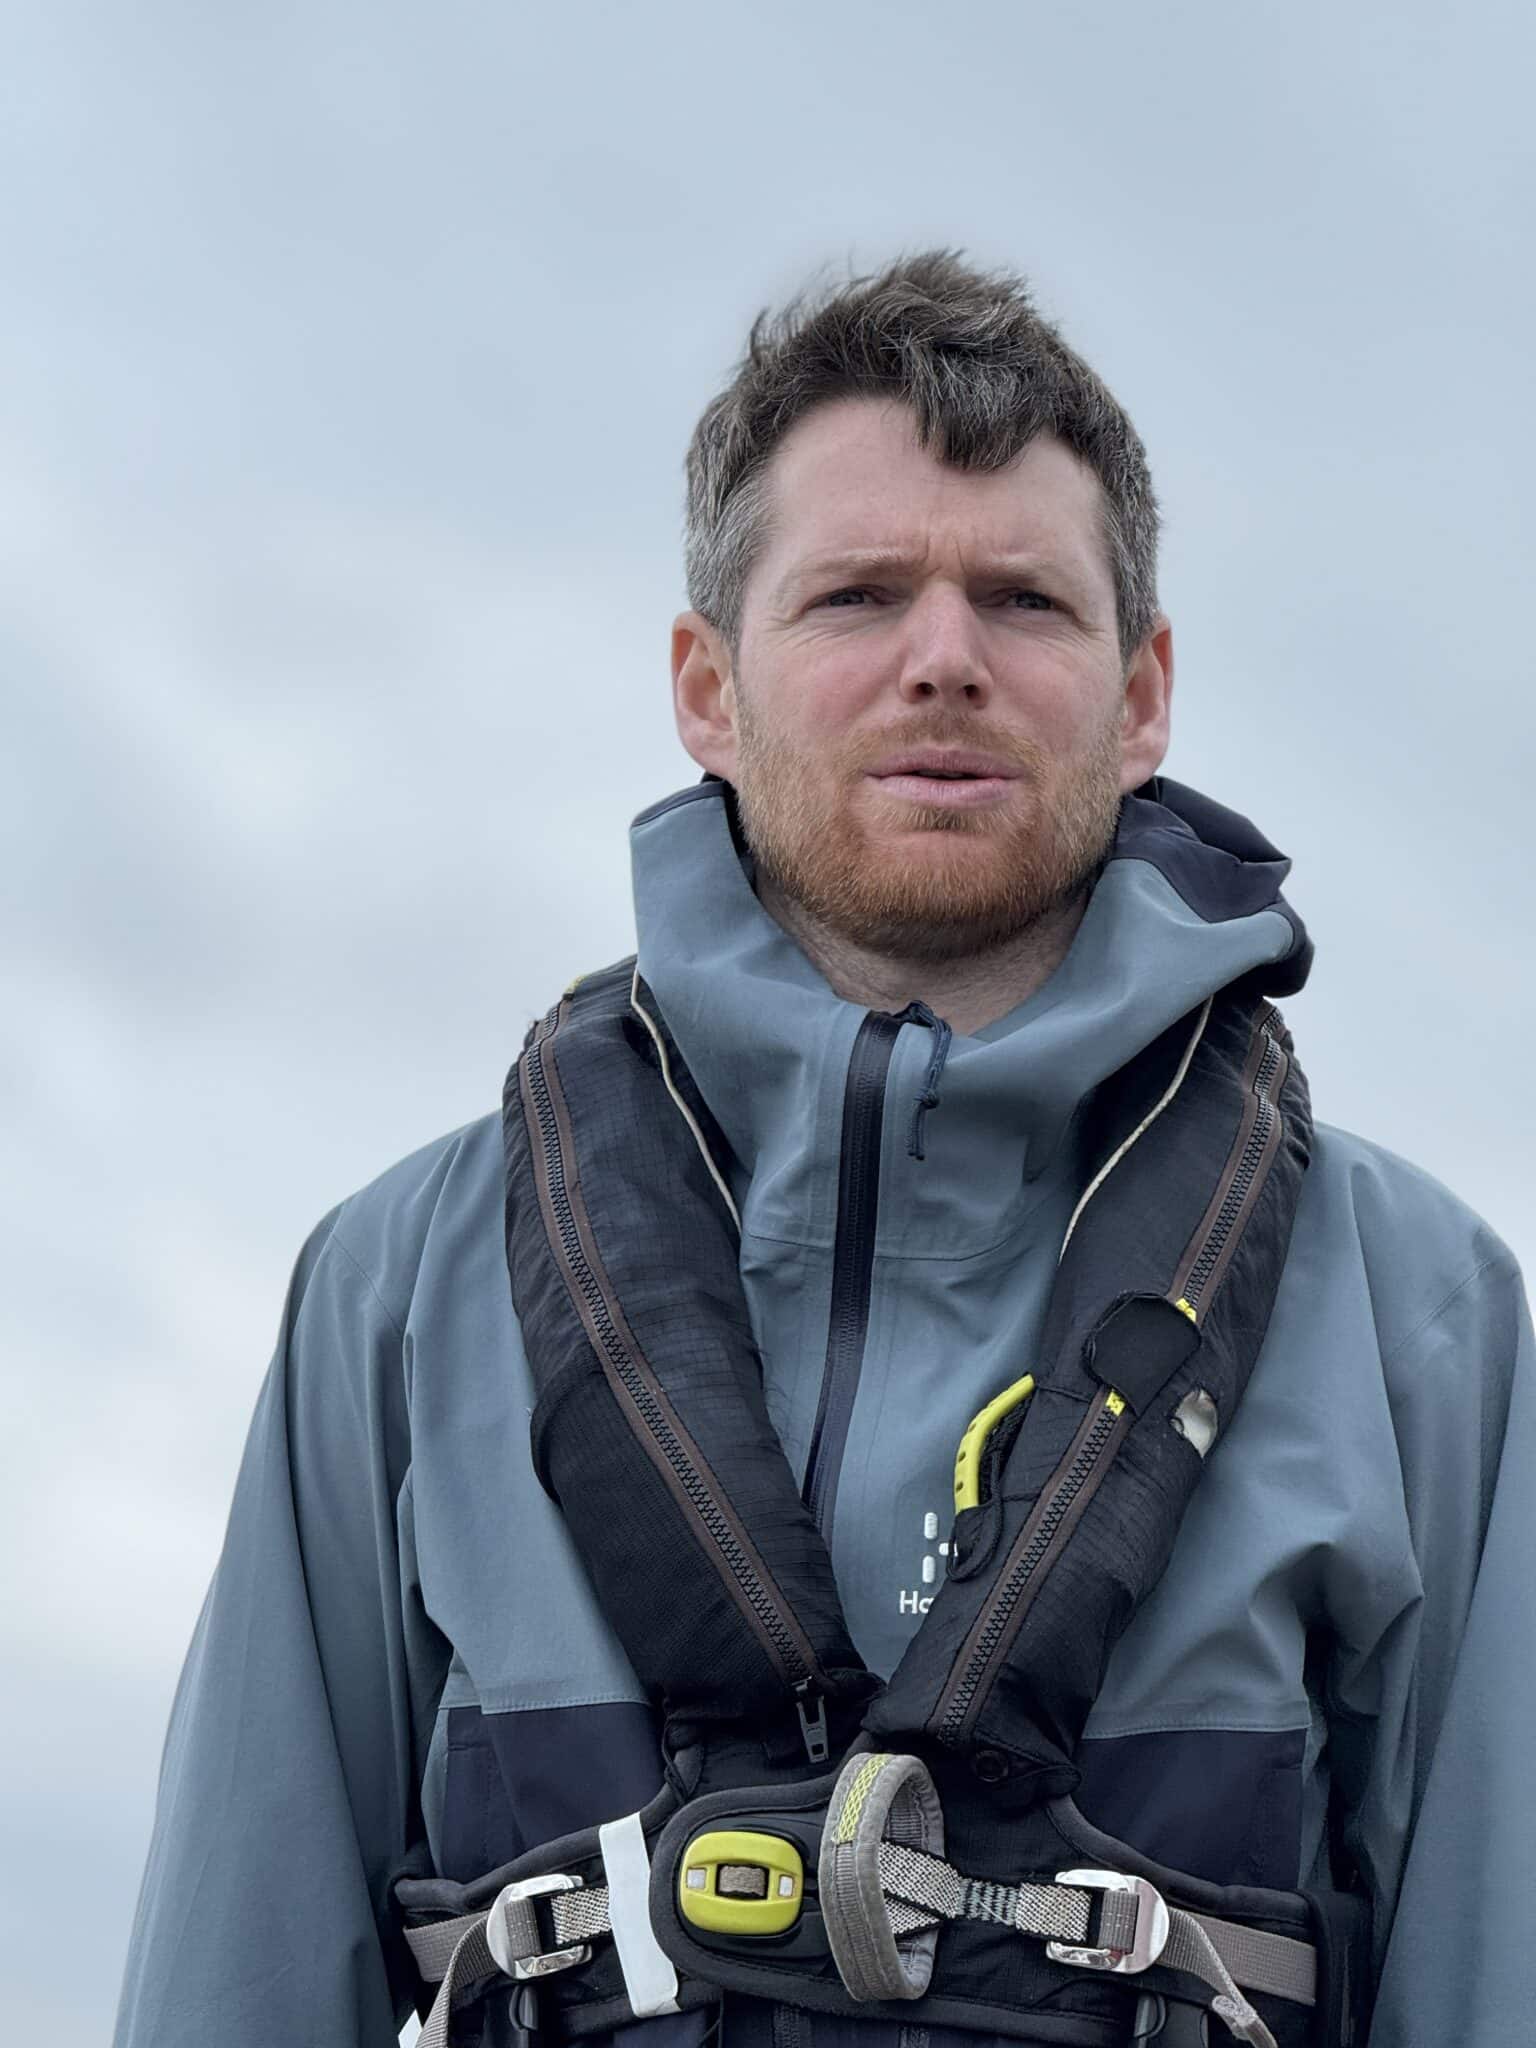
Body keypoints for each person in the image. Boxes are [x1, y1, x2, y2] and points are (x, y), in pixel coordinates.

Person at [114, 252, 1533, 2048]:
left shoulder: (1414, 1313)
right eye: (858, 595)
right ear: (708, 686)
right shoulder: (401, 1291)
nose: (944, 660)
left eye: (1023, 599)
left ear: (1143, 692)